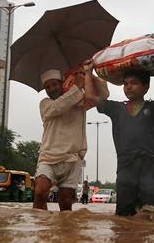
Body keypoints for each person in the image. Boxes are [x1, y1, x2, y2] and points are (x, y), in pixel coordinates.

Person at [85, 64, 154, 216]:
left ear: (145, 87)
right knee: (123, 219)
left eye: (134, 83)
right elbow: (90, 97)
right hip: (125, 171)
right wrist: (88, 72)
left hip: (149, 170)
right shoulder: (116, 108)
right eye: (125, 84)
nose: (128, 87)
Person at [33, 66, 108, 211]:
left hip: (72, 158)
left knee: (66, 200)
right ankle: (39, 229)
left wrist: (88, 74)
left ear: (62, 83)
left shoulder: (80, 101)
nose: (51, 88)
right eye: (47, 86)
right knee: (40, 191)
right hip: (48, 157)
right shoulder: (45, 104)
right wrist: (78, 87)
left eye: (55, 84)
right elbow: (58, 108)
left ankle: (65, 231)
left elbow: (104, 95)